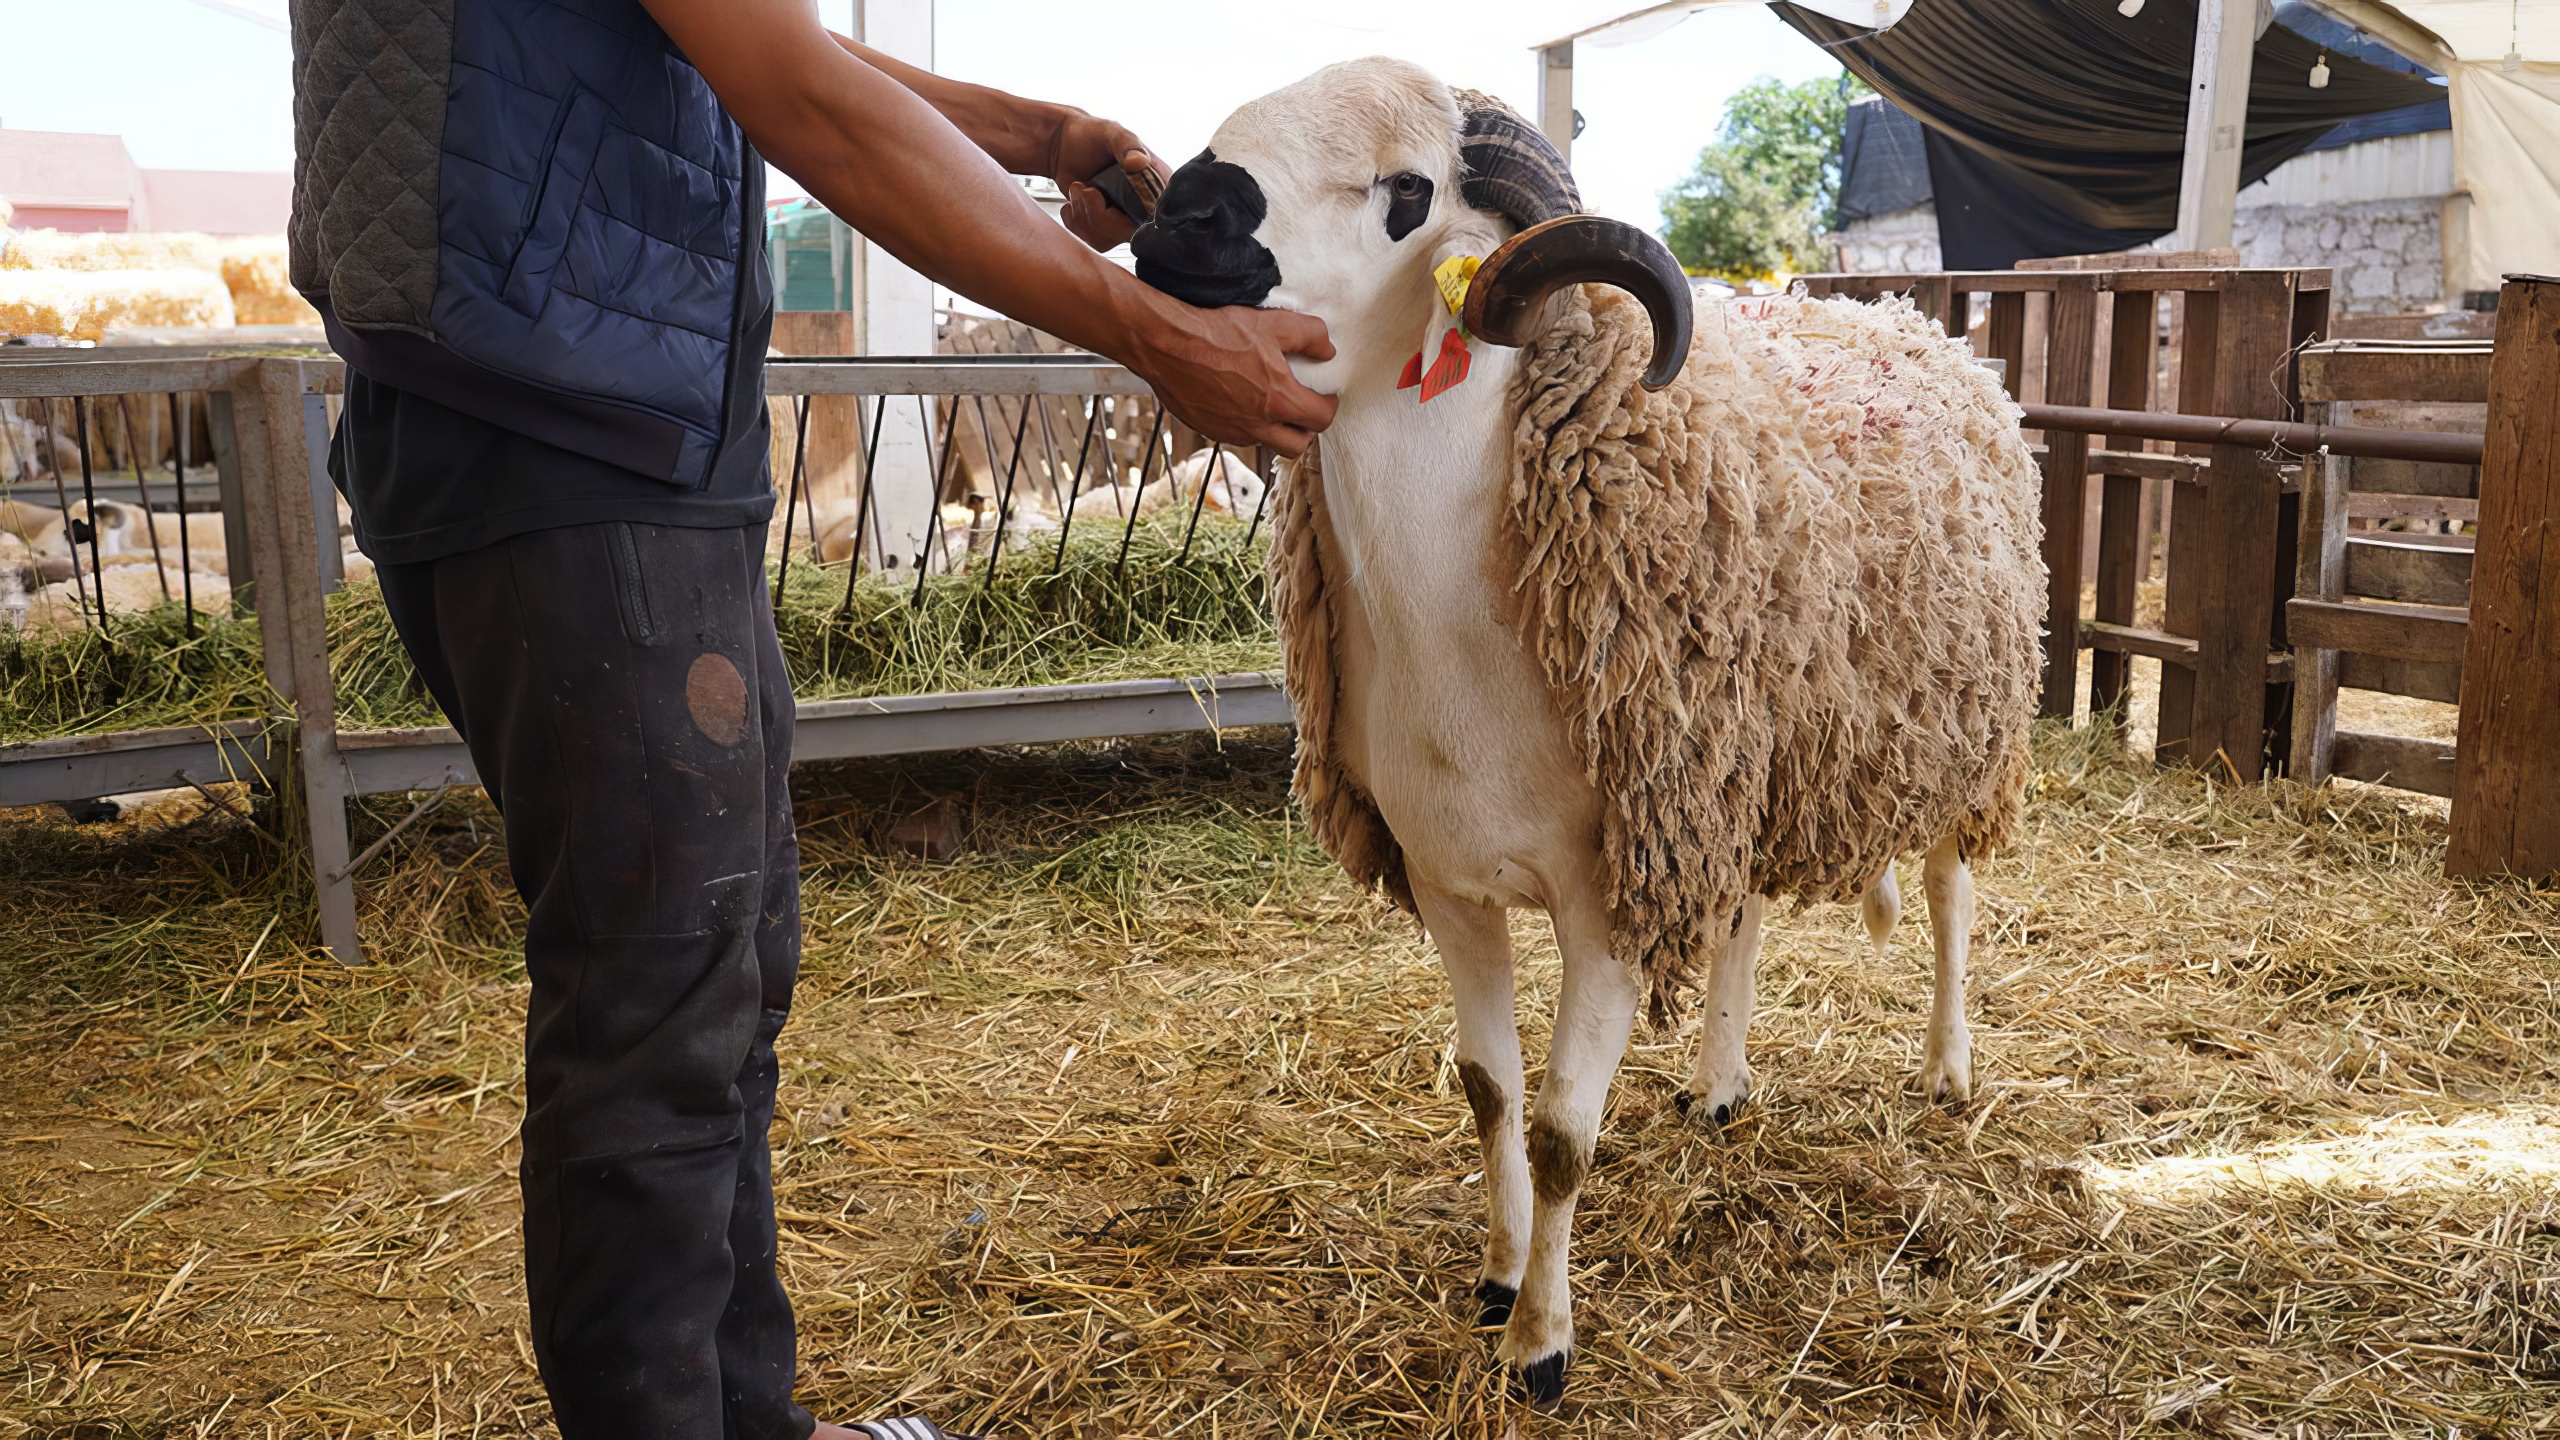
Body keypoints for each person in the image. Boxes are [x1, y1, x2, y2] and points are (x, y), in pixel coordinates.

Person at [288, 3, 1337, 1437]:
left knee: (718, 975)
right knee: (656, 1009)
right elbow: (805, 99)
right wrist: (1143, 332)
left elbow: (755, 48)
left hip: (578, 418)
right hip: (568, 436)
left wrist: (1032, 139)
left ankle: (744, 1420)